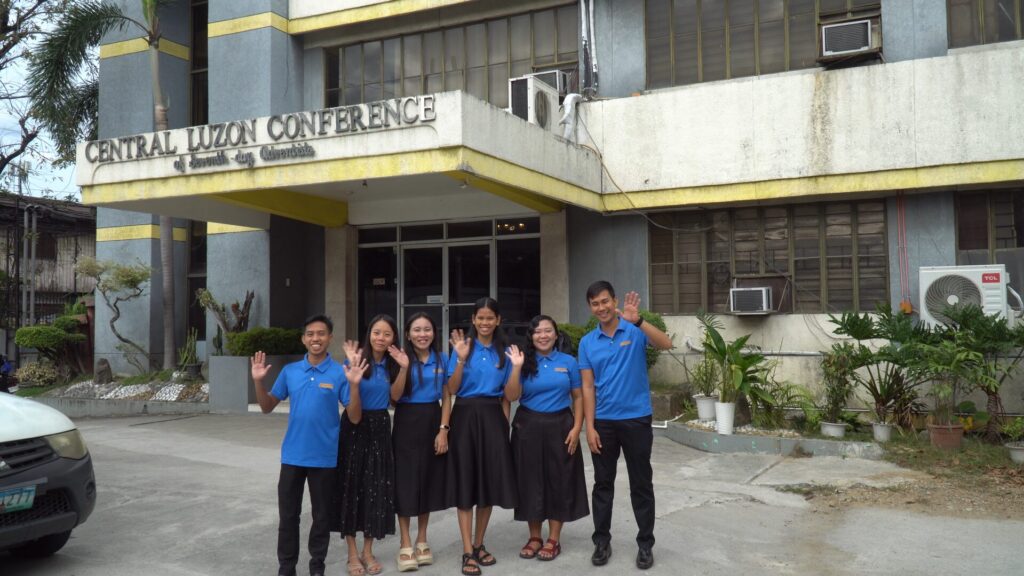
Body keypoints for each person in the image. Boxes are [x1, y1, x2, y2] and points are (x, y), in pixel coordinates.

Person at [251, 314, 366, 576]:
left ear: (330, 338)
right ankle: (286, 567)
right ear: (303, 339)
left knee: (321, 517)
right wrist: (258, 381)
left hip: (325, 457)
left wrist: (354, 385)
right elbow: (267, 407)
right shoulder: (290, 372)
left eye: (321, 333)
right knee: (288, 517)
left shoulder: (339, 373)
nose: (316, 338)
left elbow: (355, 417)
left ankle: (317, 566)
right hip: (293, 455)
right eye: (311, 334)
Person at [578, 281, 673, 570]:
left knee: (641, 483)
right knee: (602, 484)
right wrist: (589, 427)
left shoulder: (634, 330)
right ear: (590, 307)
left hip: (636, 419)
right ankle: (601, 541)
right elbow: (587, 387)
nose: (601, 308)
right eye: (595, 303)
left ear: (615, 301)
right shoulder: (587, 342)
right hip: (603, 422)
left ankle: (645, 544)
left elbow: (666, 344)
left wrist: (640, 321)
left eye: (605, 301)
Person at [504, 315, 588, 562]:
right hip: (528, 425)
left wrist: (577, 428)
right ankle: (534, 537)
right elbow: (511, 395)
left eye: (548, 331)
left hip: (561, 425)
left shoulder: (568, 362)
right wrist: (516, 367)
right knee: (530, 481)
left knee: (559, 480)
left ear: (556, 334)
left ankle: (553, 539)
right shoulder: (522, 360)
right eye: (537, 331)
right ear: (531, 336)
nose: (543, 335)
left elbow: (578, 397)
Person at [446, 297, 520, 576]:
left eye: (490, 318)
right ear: (473, 320)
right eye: (480, 318)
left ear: (498, 320)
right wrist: (460, 360)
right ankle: (467, 550)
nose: (485, 322)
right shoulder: (462, 347)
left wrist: (517, 367)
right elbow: (452, 388)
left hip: (493, 417)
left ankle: (479, 544)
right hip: (465, 416)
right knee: (466, 482)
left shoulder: (506, 351)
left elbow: (511, 395)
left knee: (487, 483)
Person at [337, 314, 407, 576]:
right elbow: (354, 415)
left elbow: (395, 398)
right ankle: (352, 553)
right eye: (377, 332)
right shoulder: (355, 361)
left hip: (380, 426)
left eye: (387, 334)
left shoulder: (392, 364)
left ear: (393, 338)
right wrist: (354, 384)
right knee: (351, 486)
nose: (381, 338)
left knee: (375, 488)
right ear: (369, 334)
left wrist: (404, 368)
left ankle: (368, 551)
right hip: (355, 426)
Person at [391, 312, 452, 572]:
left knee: (428, 479)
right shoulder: (399, 358)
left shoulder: (442, 358)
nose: (422, 334)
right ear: (407, 334)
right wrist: (404, 367)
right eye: (416, 329)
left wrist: (443, 430)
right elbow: (394, 397)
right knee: (405, 482)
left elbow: (446, 397)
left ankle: (422, 539)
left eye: (427, 329)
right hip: (406, 420)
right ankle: (405, 541)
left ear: (434, 333)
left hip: (432, 418)